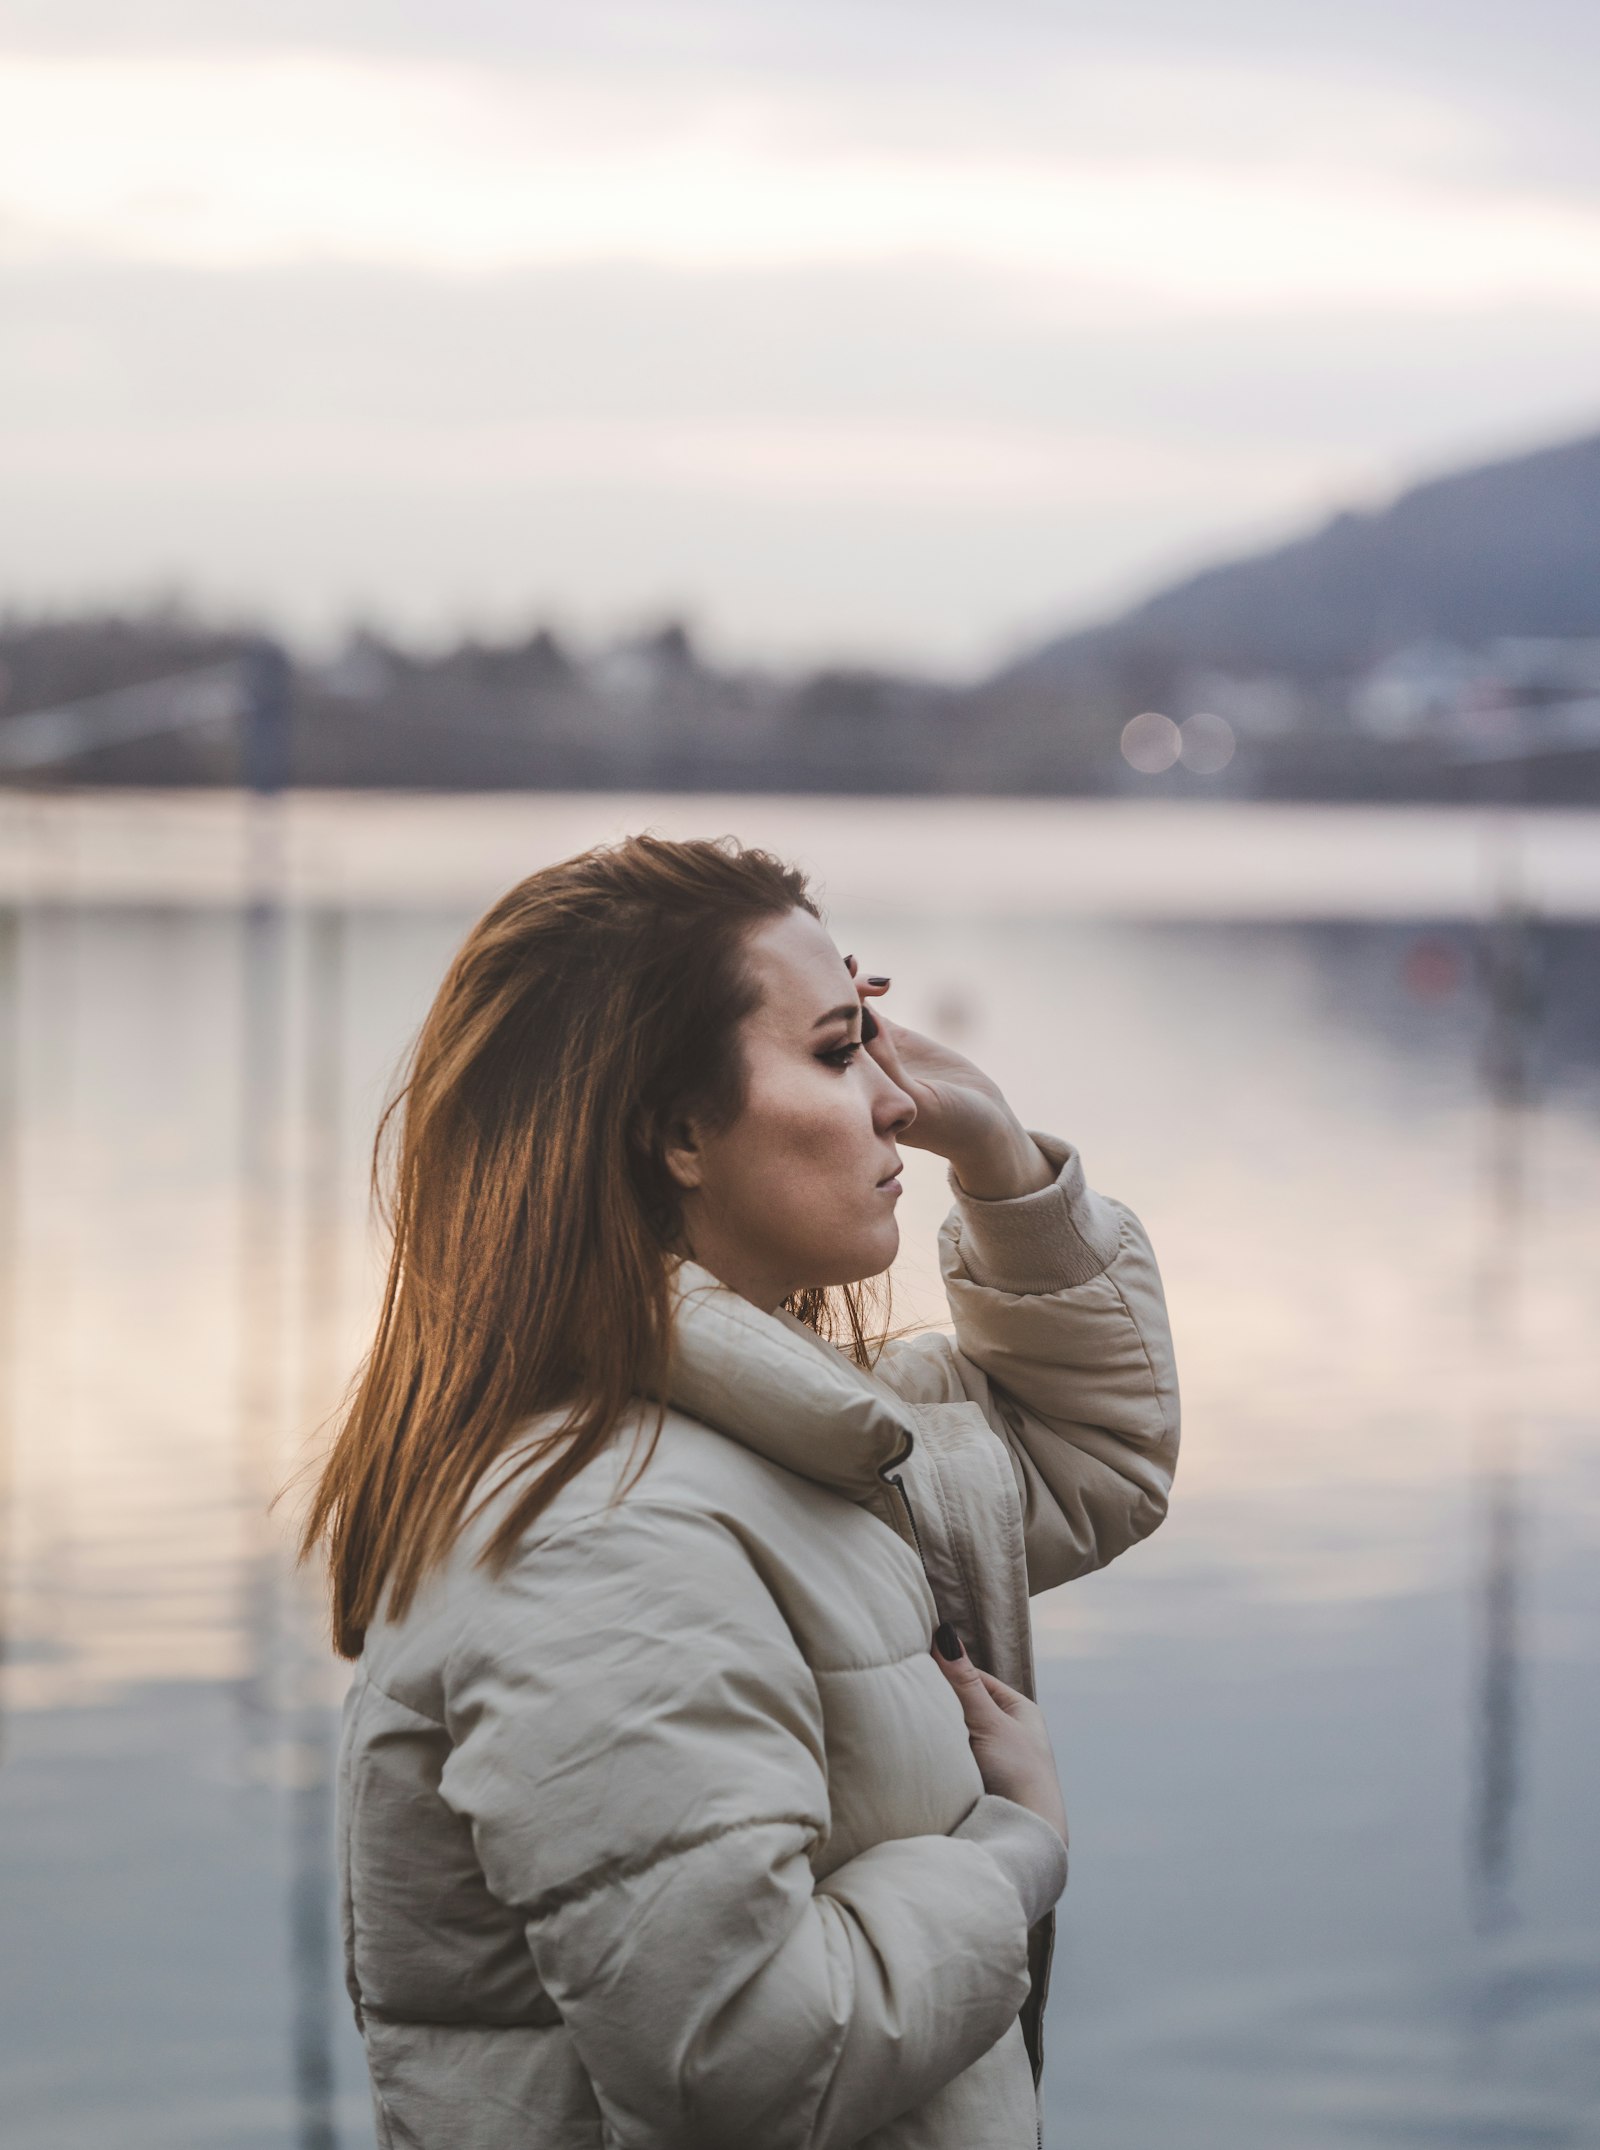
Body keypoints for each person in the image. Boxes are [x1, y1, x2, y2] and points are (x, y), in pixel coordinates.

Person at [302, 833, 1179, 2150]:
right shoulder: (604, 1537)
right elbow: (744, 2061)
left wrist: (994, 1147)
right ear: (675, 1132)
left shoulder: (781, 1444)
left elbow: (1093, 1453)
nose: (893, 1099)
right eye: (836, 1051)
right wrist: (1015, 1854)